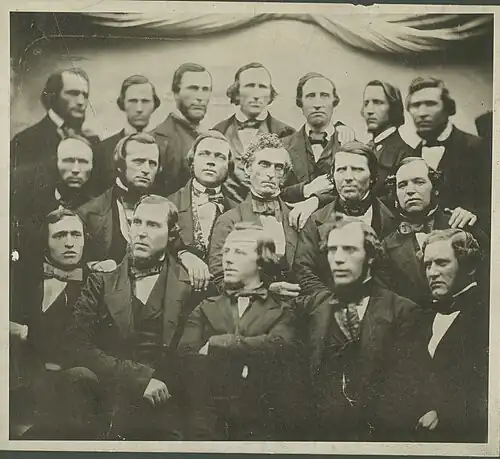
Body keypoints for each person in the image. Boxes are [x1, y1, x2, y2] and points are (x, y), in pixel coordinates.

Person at [64, 195, 197, 440]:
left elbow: (192, 357)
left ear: (171, 235)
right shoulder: (102, 281)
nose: (141, 232)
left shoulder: (190, 285)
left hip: (167, 403)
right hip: (110, 398)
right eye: (137, 222)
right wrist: (138, 380)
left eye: (153, 225)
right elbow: (76, 344)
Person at [302, 215, 427, 441]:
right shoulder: (314, 306)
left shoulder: (403, 312)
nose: (338, 259)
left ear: (370, 256)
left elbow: (402, 392)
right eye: (332, 250)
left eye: (349, 249)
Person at [179, 223, 296, 440]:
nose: (228, 259)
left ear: (262, 261)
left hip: (261, 426)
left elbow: (279, 346)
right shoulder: (205, 308)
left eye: (239, 252)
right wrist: (251, 352)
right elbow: (186, 357)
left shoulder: (282, 310)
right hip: (207, 426)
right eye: (226, 251)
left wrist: (218, 344)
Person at [10, 209, 108, 439]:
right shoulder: (22, 278)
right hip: (22, 382)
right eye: (60, 235)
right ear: (45, 241)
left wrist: (22, 331)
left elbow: (77, 344)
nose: (69, 243)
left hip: (69, 387)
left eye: (76, 235)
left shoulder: (97, 283)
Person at [77, 132, 210, 291]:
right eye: (139, 162)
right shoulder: (88, 213)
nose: (146, 170)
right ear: (120, 165)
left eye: (152, 163)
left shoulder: (166, 205)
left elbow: (175, 245)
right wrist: (93, 267)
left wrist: (186, 256)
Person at [209, 134, 314, 298]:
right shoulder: (228, 221)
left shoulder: (298, 217)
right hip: (252, 307)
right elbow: (219, 279)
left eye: (278, 167)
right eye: (264, 164)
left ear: (284, 175)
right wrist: (265, 290)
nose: (271, 173)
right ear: (247, 168)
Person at [294, 141, 397, 296]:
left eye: (357, 169)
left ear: (372, 177)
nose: (348, 177)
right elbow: (304, 271)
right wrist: (332, 304)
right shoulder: (315, 221)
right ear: (333, 176)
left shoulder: (391, 220)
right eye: (341, 170)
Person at [378, 157, 483, 306]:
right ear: (395, 194)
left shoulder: (460, 224)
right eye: (402, 185)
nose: (410, 191)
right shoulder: (387, 247)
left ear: (435, 188)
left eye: (419, 182)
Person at [416, 229, 488, 442]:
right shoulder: (423, 317)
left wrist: (445, 414)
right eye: (428, 265)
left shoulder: (487, 316)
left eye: (442, 263)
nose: (432, 273)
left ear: (469, 266)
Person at [406, 77, 490, 228]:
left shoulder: (478, 147)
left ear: (449, 109)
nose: (422, 113)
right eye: (415, 105)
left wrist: (474, 213)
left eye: (431, 104)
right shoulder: (410, 156)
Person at [212, 63, 295, 203]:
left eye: (262, 87)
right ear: (237, 92)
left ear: (270, 94)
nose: (256, 95)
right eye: (250, 86)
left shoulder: (287, 134)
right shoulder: (218, 132)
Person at [281, 72, 355, 206]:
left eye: (324, 96)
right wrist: (305, 190)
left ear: (334, 102)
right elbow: (273, 191)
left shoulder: (350, 144)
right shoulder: (283, 147)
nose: (317, 104)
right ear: (300, 103)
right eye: (310, 96)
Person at [168, 131, 237, 262]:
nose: (211, 162)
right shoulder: (169, 204)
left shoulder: (238, 212)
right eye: (204, 154)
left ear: (229, 167)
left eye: (220, 157)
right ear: (192, 161)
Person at [154, 63, 212, 195]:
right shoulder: (160, 139)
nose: (200, 97)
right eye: (193, 88)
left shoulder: (209, 135)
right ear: (175, 93)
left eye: (205, 89)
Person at [99, 75, 161, 189]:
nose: (139, 109)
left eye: (145, 101)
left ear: (154, 105)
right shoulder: (103, 149)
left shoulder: (164, 148)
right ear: (122, 104)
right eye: (133, 101)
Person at [360, 80, 414, 196]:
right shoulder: (366, 148)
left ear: (393, 108)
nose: (369, 111)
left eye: (377, 102)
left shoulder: (405, 154)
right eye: (366, 103)